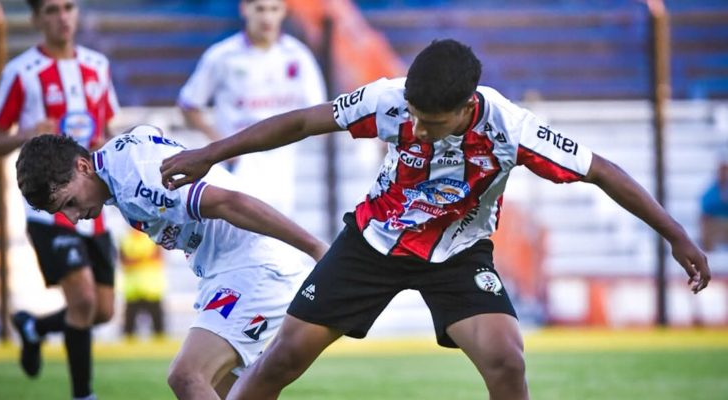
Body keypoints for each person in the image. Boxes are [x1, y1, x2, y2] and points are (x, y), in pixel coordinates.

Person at [160, 39, 711, 400]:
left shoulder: (511, 128)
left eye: (433, 122)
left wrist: (677, 235)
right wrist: (210, 153)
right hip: (373, 241)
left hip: (459, 252)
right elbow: (303, 122)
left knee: (506, 360)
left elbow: (602, 171)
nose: (418, 131)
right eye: (415, 119)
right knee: (282, 359)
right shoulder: (390, 99)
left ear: (468, 105)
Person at [16, 125, 328, 400]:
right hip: (226, 271)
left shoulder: (137, 185)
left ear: (83, 166)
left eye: (69, 202)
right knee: (231, 392)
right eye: (61, 212)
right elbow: (147, 131)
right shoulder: (116, 160)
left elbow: (230, 203)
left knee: (187, 375)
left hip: (255, 266)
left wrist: (315, 248)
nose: (72, 217)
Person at [0, 1, 119, 399]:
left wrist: (106, 145)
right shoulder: (22, 73)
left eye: (68, 7)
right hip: (52, 212)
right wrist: (25, 134)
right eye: (51, 10)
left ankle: (34, 326)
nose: (62, 17)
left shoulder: (97, 65)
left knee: (102, 310)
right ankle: (83, 393)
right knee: (81, 299)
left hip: (94, 210)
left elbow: (107, 127)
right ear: (36, 19)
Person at [177, 0, 326, 215]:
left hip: (284, 163)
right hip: (240, 161)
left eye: (273, 9)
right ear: (244, 9)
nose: (267, 17)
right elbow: (189, 104)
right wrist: (220, 144)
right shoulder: (223, 55)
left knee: (282, 233)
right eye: (260, 9)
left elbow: (317, 110)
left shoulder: (298, 56)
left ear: (284, 11)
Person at [119, 229, 166, 339]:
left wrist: (135, 260)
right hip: (133, 290)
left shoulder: (152, 237)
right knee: (129, 328)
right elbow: (124, 261)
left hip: (151, 289)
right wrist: (144, 258)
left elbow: (158, 256)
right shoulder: (127, 239)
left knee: (158, 327)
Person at [700, 156, 728, 251]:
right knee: (704, 221)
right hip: (716, 223)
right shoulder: (712, 190)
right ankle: (707, 252)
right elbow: (706, 206)